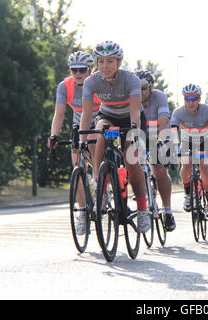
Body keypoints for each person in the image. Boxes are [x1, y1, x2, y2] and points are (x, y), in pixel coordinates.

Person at [79, 40, 151, 233]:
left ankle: (143, 209)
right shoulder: (91, 81)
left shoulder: (131, 79)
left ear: (119, 62)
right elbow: (87, 114)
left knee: (131, 159)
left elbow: (136, 110)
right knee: (100, 132)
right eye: (100, 61)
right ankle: (100, 189)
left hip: (131, 118)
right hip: (108, 115)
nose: (105, 66)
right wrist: (82, 141)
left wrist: (134, 133)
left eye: (110, 61)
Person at [46, 51, 100, 235]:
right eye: (74, 69)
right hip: (78, 125)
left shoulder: (98, 82)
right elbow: (59, 114)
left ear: (90, 70)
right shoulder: (65, 86)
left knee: (95, 150)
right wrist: (54, 135)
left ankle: (102, 184)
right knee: (77, 169)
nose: (78, 73)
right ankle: (83, 213)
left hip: (99, 122)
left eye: (82, 70)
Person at [171, 84, 208, 220]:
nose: (190, 102)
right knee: (185, 164)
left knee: (205, 167)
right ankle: (187, 195)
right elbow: (174, 132)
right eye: (187, 98)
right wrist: (175, 150)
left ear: (199, 99)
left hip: (206, 140)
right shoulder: (178, 112)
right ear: (184, 99)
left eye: (194, 98)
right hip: (187, 141)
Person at [136, 69, 176, 232]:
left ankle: (167, 211)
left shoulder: (159, 96)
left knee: (159, 170)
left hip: (157, 134)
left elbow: (164, 121)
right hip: (138, 135)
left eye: (143, 88)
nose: (140, 91)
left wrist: (162, 140)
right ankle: (144, 199)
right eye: (136, 88)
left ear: (151, 88)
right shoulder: (130, 98)